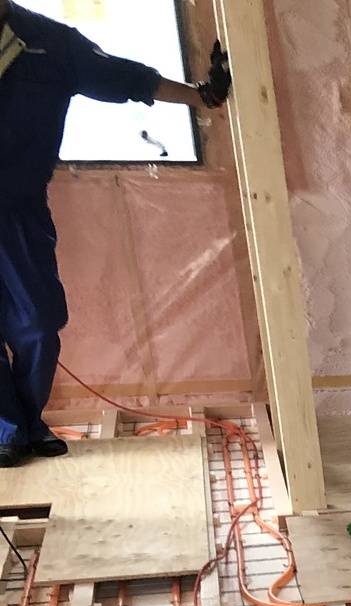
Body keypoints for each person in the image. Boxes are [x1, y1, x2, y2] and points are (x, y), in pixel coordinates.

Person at [0, 0, 230, 466]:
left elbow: (127, 78)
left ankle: (26, 423)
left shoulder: (49, 43)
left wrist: (201, 96)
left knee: (39, 324)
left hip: (19, 212)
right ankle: (10, 431)